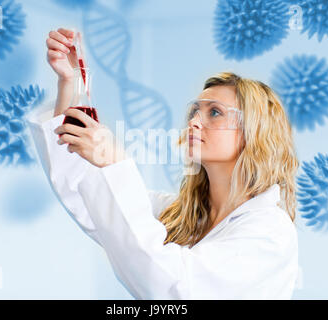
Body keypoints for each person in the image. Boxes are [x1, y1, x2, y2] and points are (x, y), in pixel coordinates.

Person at [25, 28, 299, 299]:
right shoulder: (178, 214)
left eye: (214, 112)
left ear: (256, 131)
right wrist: (72, 85)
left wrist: (117, 163)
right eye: (195, 111)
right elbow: (90, 197)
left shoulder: (269, 231)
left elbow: (176, 290)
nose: (193, 121)